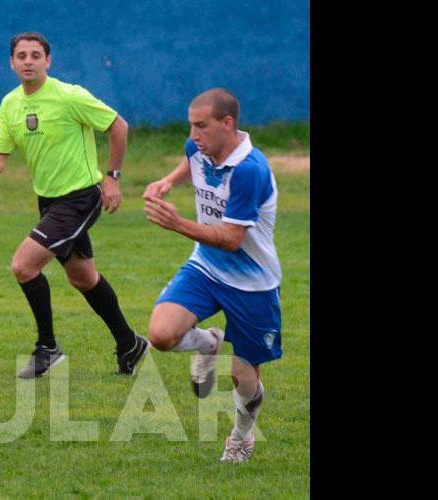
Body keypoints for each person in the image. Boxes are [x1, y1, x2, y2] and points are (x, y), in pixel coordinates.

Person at [0, 32, 148, 379]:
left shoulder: (70, 96)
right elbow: (0, 151)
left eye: (35, 55)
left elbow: (118, 126)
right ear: (11, 63)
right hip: (49, 201)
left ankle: (48, 347)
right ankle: (129, 343)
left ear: (47, 61)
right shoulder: (10, 104)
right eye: (21, 56)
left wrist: (112, 177)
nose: (28, 61)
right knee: (83, 278)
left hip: (80, 197)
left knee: (24, 266)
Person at [142, 88, 282, 464]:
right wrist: (168, 182)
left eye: (201, 126)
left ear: (228, 124)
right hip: (206, 267)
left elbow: (232, 240)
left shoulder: (250, 170)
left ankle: (241, 435)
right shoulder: (199, 147)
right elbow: (191, 162)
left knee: (244, 377)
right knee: (161, 334)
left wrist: (177, 223)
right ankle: (208, 344)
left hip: (253, 283)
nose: (193, 135)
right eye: (191, 125)